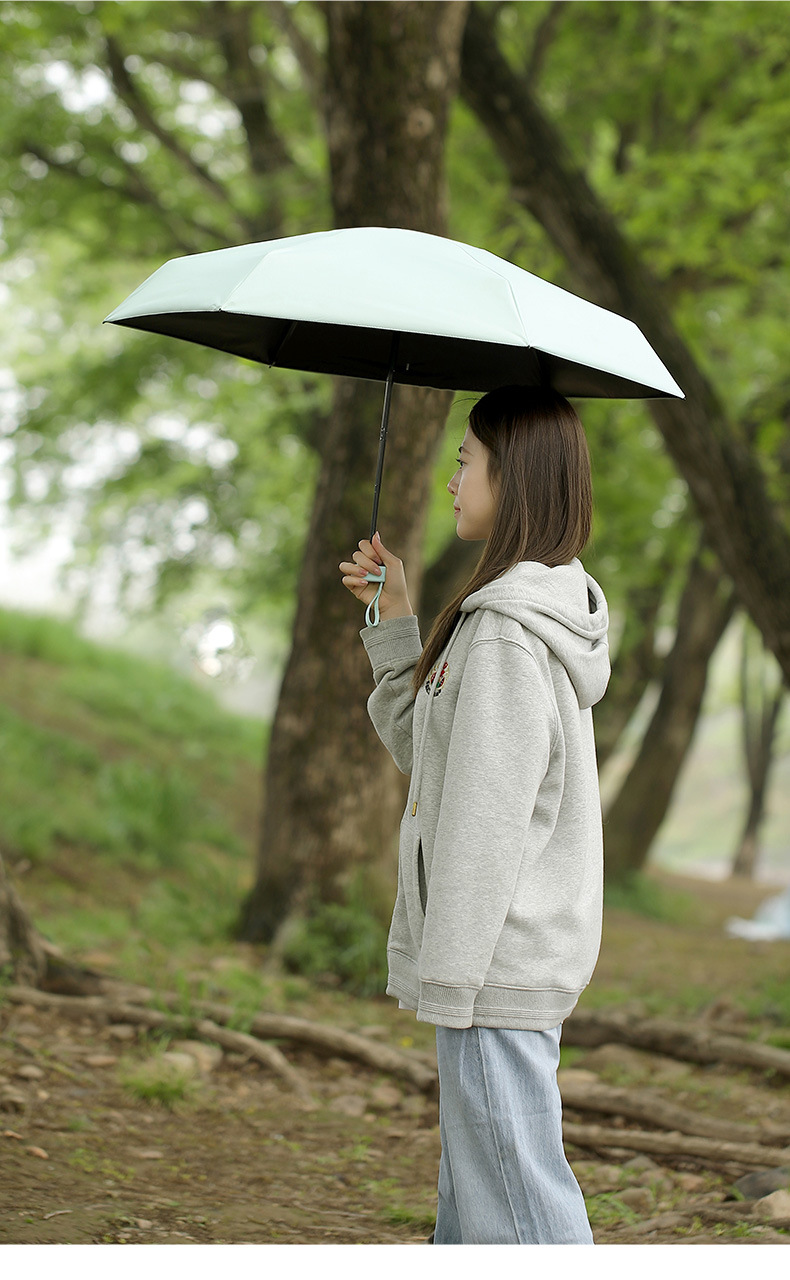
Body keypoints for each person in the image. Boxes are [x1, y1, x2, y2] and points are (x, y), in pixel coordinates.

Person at [338, 385, 610, 1245]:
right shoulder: (511, 618)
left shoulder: (505, 633)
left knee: (520, 1214)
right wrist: (395, 620)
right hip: (494, 960)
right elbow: (431, 751)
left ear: (514, 476)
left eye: (466, 462)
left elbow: (485, 826)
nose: (454, 482)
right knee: (476, 1207)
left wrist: (448, 981)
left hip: (494, 966)